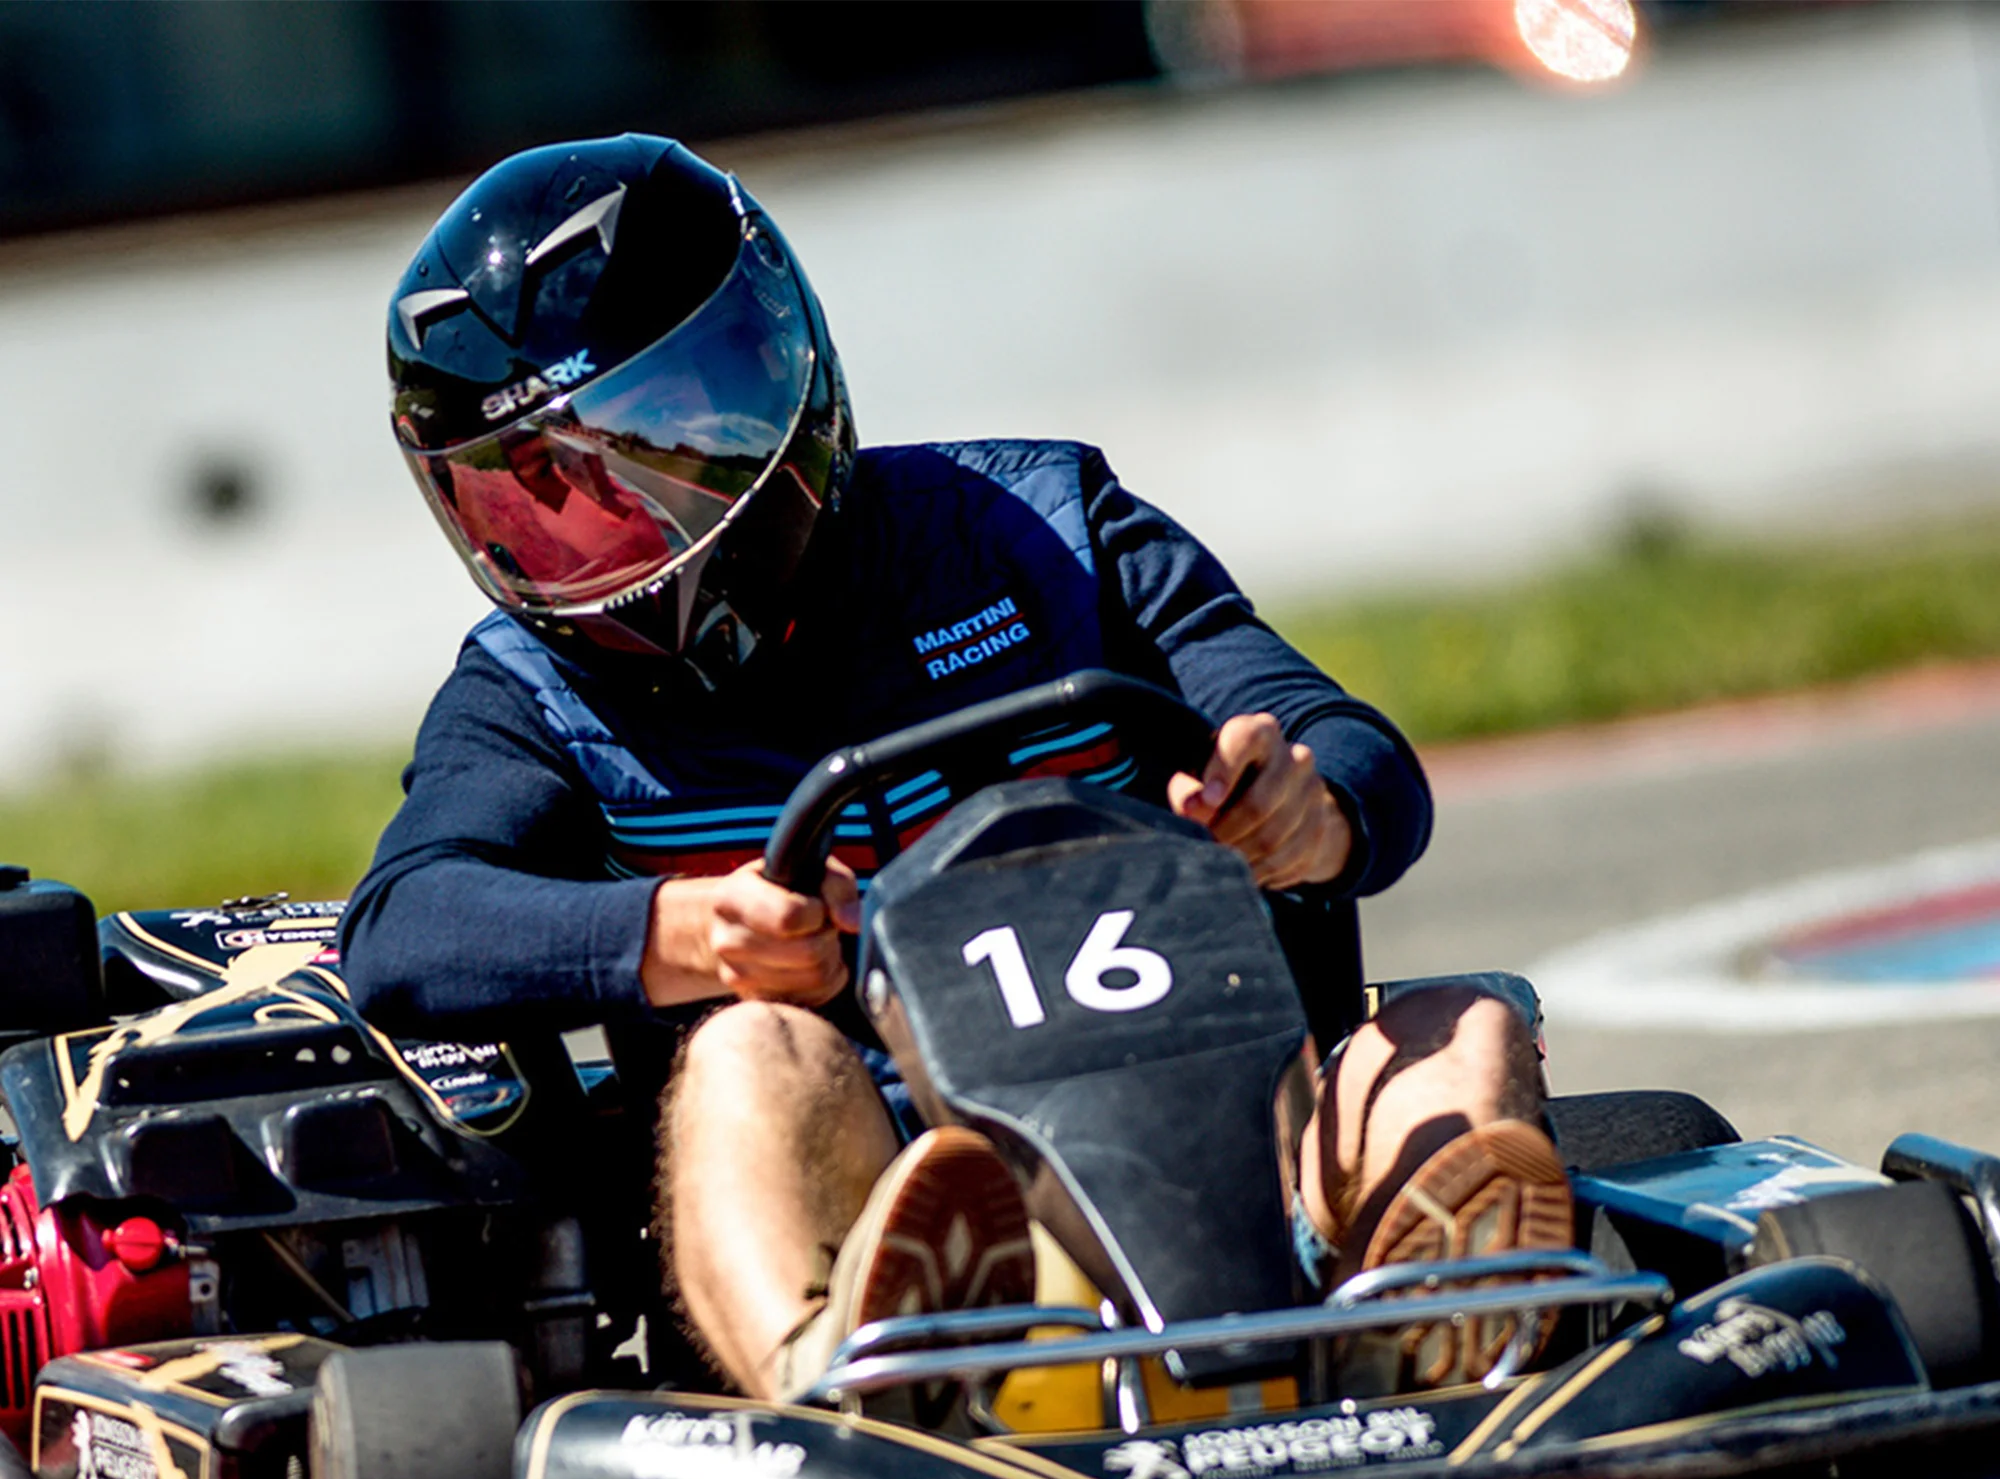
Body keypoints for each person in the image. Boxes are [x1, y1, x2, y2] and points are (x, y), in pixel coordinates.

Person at [340, 133, 1571, 1408]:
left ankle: (1427, 1347)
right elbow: (402, 927)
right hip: (874, 1189)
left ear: (774, 367)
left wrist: (1305, 806)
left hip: (1229, 1157)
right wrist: (681, 931)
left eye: (655, 440)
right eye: (539, 496)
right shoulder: (533, 694)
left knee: (1453, 1026)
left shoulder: (1039, 533)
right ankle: (864, 1383)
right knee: (749, 1050)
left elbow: (1333, 735)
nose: (629, 525)